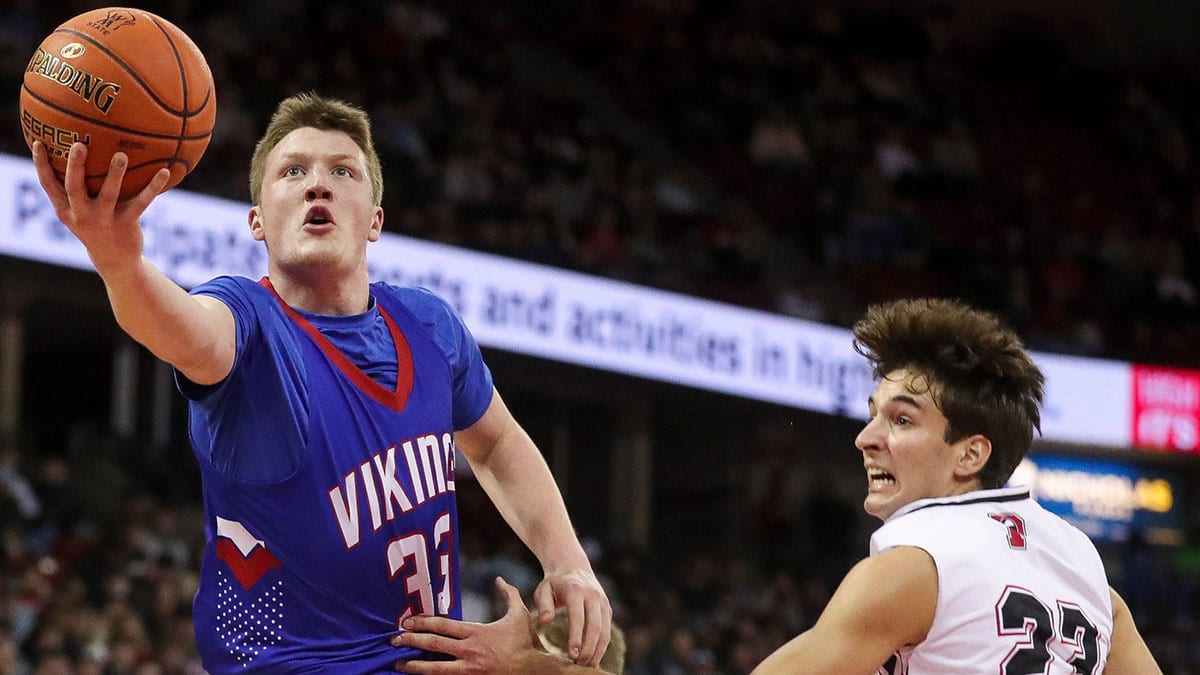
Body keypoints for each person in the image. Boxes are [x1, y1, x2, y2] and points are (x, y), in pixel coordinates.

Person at [31, 92, 611, 673]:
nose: (318, 184)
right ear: (257, 220)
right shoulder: (249, 324)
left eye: (343, 171)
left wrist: (566, 561)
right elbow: (180, 329)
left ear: (375, 220)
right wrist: (119, 263)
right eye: (292, 171)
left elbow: (496, 442)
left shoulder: (430, 325)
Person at [392, 298, 1162, 674]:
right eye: (872, 414)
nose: (866, 437)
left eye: (901, 418)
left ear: (970, 453)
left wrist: (549, 672)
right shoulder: (1086, 569)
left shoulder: (915, 565)